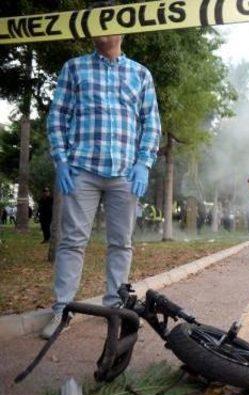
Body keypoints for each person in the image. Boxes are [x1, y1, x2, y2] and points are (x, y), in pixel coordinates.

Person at [40, 13, 161, 339]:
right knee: (71, 242)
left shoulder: (140, 74)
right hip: (82, 171)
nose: (101, 31)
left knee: (121, 244)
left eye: (107, 24)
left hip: (125, 174)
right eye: (96, 25)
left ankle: (114, 309)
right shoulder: (74, 68)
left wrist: (144, 163)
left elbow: (151, 123)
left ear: (121, 29)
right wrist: (62, 162)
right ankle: (61, 310)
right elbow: (58, 118)